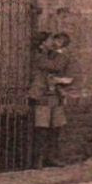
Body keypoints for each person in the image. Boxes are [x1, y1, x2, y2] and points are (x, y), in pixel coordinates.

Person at [28, 31, 73, 167]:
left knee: (56, 128)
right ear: (42, 44)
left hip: (54, 96)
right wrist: (59, 51)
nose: (52, 43)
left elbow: (59, 68)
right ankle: (38, 160)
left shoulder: (50, 55)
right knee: (41, 128)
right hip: (42, 96)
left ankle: (51, 157)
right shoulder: (39, 56)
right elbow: (55, 67)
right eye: (49, 40)